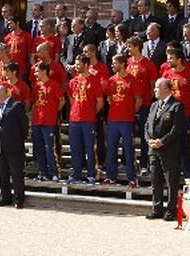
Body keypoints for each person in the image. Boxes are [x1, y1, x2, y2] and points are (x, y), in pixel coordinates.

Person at [144, 78, 185, 221]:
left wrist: (162, 141)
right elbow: (147, 125)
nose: (155, 90)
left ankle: (171, 210)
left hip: (169, 150)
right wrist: (149, 140)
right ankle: (157, 209)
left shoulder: (177, 106)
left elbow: (176, 129)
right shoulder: (154, 105)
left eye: (157, 88)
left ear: (166, 89)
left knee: (171, 181)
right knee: (155, 181)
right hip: (153, 149)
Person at [103, 55, 142, 188]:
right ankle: (110, 176)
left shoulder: (132, 80)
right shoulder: (111, 80)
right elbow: (109, 98)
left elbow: (139, 100)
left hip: (126, 120)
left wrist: (130, 112)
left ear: (123, 64)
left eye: (115, 63)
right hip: (113, 119)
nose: (112, 65)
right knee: (111, 149)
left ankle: (132, 177)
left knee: (128, 149)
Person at [66, 55, 104, 185]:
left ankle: (91, 174)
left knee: (90, 148)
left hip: (88, 120)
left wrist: (91, 113)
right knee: (75, 148)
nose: (76, 66)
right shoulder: (72, 81)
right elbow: (71, 100)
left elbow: (100, 102)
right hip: (74, 119)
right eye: (76, 64)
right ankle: (76, 174)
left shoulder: (94, 81)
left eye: (78, 64)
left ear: (86, 65)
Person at [162, 49, 190, 177]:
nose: (168, 60)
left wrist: (188, 108)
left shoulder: (189, 73)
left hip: (184, 117)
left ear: (179, 60)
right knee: (169, 147)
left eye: (171, 58)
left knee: (185, 147)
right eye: (168, 58)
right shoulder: (166, 74)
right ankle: (171, 175)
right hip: (169, 117)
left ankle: (188, 176)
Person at [0, 85, 28, 209]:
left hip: (14, 146)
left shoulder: (16, 106)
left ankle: (19, 199)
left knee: (17, 174)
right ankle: (5, 197)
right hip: (1, 146)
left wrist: (19, 141)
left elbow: (24, 125)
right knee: (3, 175)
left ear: (2, 93)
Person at [127, 37, 158, 173]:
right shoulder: (127, 62)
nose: (128, 49)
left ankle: (144, 164)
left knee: (145, 135)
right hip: (129, 104)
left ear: (137, 47)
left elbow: (152, 85)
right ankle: (130, 163)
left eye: (130, 46)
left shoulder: (148, 64)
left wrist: (148, 100)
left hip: (144, 104)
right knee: (129, 135)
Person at [31, 62, 65, 181]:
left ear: (44, 71)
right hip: (37, 121)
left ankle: (54, 172)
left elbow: (62, 100)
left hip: (49, 121)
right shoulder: (36, 86)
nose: (35, 74)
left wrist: (53, 112)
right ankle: (43, 172)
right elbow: (35, 103)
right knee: (38, 148)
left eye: (37, 71)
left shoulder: (53, 84)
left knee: (50, 148)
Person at [4, 16, 33, 81]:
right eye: (8, 24)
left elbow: (30, 52)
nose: (9, 26)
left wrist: (29, 66)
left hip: (22, 68)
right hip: (10, 68)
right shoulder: (7, 38)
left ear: (17, 23)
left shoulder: (26, 36)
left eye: (11, 23)